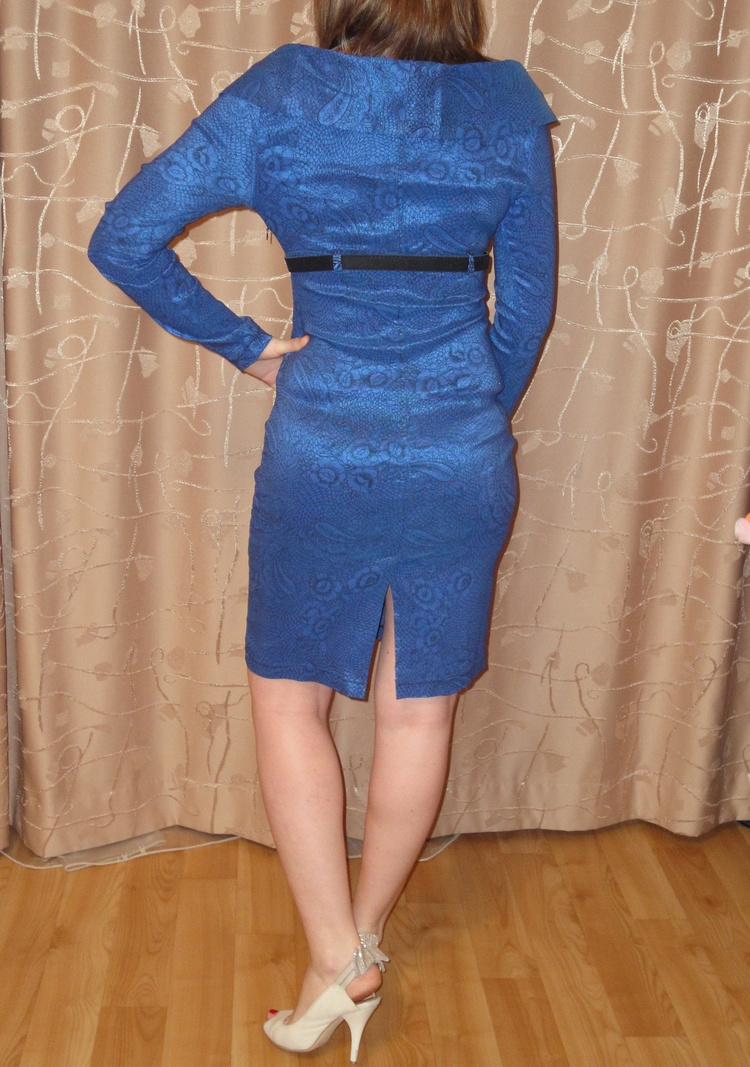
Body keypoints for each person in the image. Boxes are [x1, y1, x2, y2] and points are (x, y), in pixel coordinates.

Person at [88, 0, 556, 1058]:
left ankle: (337, 954)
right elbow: (526, 312)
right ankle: (358, 939)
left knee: (288, 699)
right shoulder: (505, 108)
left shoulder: (283, 94)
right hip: (460, 450)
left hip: (322, 442)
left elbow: (121, 235)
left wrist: (246, 344)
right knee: (418, 711)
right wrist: (466, 411)